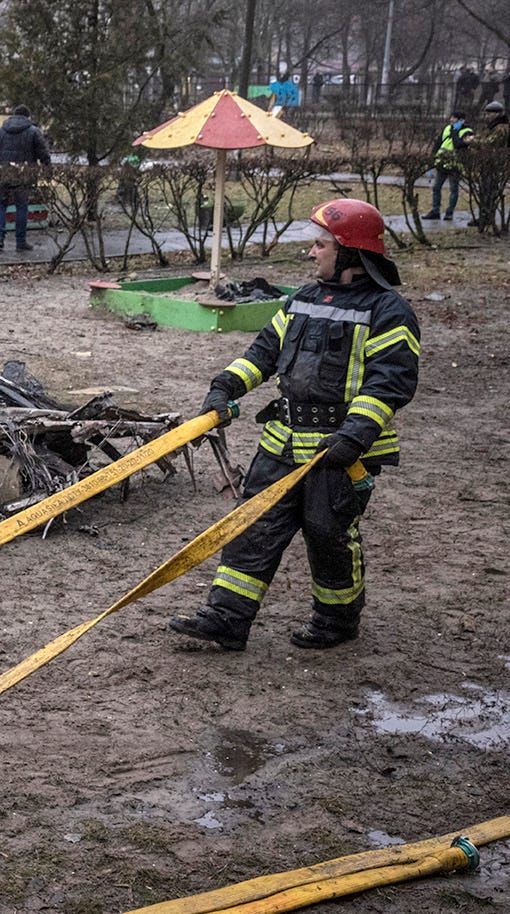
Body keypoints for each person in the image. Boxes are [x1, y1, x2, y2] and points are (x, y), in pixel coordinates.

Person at [171, 198, 419, 652]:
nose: (311, 253)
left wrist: (353, 437)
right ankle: (227, 618)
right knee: (253, 528)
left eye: (320, 245)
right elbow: (263, 353)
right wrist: (225, 386)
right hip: (281, 442)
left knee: (328, 536)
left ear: (350, 254)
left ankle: (336, 621)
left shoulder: (389, 311)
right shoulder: (302, 300)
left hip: (338, 453)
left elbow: (391, 383)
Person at [0, 104, 51, 252]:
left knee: (1, 206)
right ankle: (20, 241)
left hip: (3, 172)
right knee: (21, 206)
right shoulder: (33, 131)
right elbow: (43, 153)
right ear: (28, 117)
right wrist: (47, 167)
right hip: (23, 174)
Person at [425, 110, 472, 221]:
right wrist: (431, 162)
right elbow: (437, 144)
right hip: (442, 164)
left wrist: (455, 132)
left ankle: (449, 212)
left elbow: (458, 144)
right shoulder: (447, 128)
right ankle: (435, 211)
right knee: (436, 187)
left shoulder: (468, 132)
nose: (451, 120)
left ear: (461, 120)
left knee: (453, 189)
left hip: (455, 166)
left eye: (454, 118)